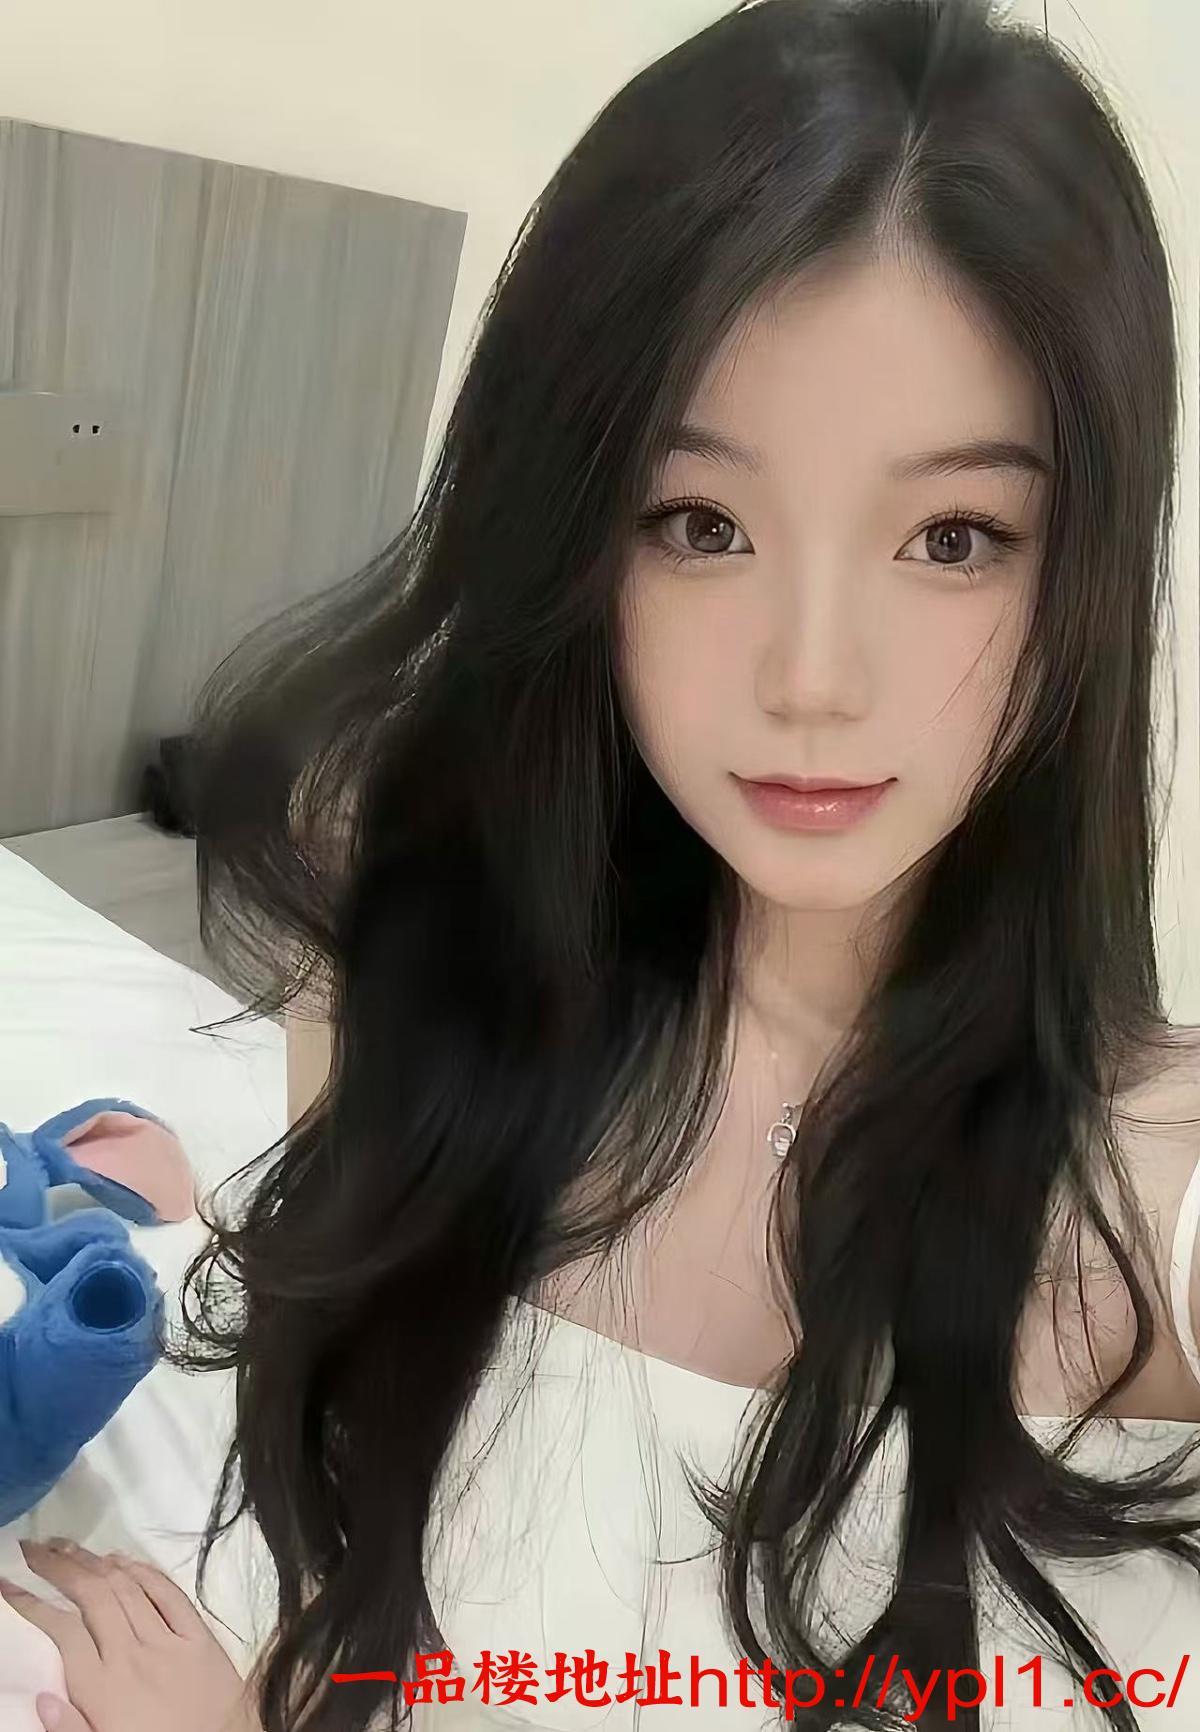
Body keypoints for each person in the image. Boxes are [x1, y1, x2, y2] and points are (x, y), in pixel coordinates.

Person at [7, 0, 1200, 1727]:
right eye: (701, 523)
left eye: (955, 537)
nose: (812, 676)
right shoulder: (414, 972)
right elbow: (366, 1574)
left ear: (1082, 566)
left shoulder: (1155, 1194)